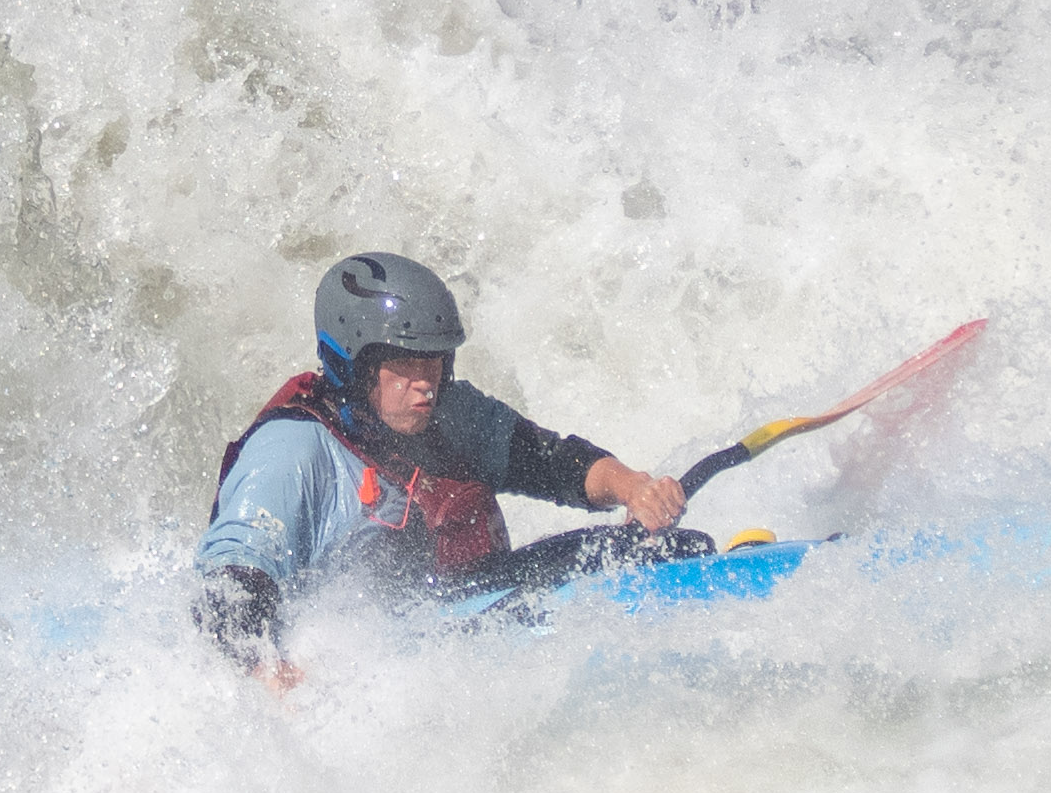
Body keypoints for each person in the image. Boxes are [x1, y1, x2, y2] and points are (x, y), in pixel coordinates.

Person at [194, 251, 701, 683]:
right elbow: (226, 588)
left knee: (657, 548)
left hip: (464, 614)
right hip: (374, 659)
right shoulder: (292, 450)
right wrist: (268, 674)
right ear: (351, 364)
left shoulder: (451, 415)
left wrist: (632, 487)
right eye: (405, 363)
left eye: (433, 362)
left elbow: (552, 462)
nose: (425, 384)